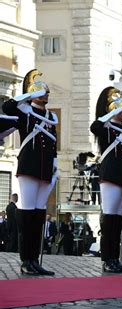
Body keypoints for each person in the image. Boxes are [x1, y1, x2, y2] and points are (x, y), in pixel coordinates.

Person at [2, 69, 57, 276]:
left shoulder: (51, 116)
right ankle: (26, 260)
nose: (46, 95)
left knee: (38, 214)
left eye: (47, 92)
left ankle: (35, 259)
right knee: (27, 214)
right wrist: (28, 94)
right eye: (42, 92)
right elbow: (7, 105)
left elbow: (54, 142)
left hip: (45, 169)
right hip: (28, 166)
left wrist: (55, 164)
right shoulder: (24, 111)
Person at [90, 87, 122, 273]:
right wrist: (111, 114)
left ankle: (115, 258)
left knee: (118, 219)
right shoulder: (106, 127)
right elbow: (95, 127)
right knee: (109, 217)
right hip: (110, 176)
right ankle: (107, 258)